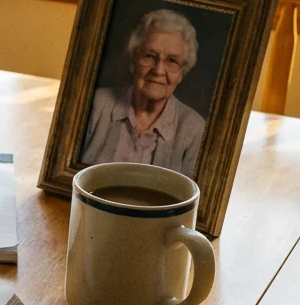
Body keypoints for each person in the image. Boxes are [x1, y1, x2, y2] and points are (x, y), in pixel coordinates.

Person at [81, 9, 207, 178]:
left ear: (181, 73)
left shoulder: (194, 129)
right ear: (134, 61)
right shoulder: (97, 104)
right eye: (149, 56)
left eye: (172, 61)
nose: (159, 70)